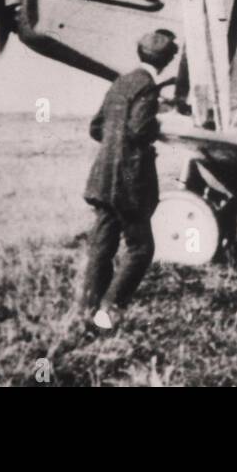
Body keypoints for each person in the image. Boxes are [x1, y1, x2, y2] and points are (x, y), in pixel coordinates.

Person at [76, 29, 177, 331]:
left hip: (103, 179)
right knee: (141, 250)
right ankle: (109, 310)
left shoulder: (121, 82)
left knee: (102, 247)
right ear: (167, 60)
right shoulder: (147, 86)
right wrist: (157, 124)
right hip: (130, 182)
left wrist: (114, 142)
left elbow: (96, 127)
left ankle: (87, 310)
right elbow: (139, 130)